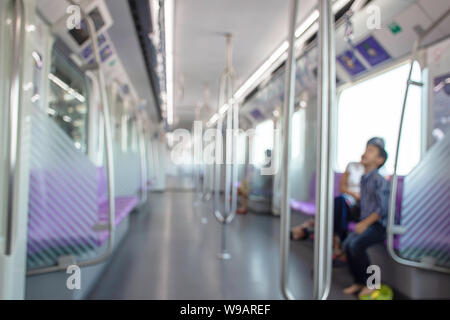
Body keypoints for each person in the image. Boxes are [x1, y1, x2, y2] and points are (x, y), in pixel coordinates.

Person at [342, 137, 390, 298]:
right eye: (365, 149)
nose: (365, 153)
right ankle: (359, 281)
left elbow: (382, 209)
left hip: (378, 225)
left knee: (355, 245)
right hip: (367, 223)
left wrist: (364, 224)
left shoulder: (379, 180)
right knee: (348, 244)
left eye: (370, 151)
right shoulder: (364, 179)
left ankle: (372, 283)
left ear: (379, 160)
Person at [290, 161, 364, 245]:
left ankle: (307, 228)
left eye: (371, 151)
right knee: (339, 203)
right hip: (347, 199)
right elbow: (342, 188)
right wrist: (354, 194)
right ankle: (336, 240)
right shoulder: (352, 166)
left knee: (337, 206)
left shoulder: (373, 175)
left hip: (357, 205)